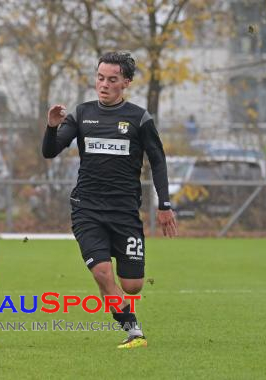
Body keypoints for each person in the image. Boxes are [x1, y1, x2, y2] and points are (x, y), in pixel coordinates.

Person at [43, 52, 177, 349]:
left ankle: (121, 302)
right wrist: (52, 127)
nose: (103, 84)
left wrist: (164, 204)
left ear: (125, 83)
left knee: (132, 285)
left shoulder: (139, 118)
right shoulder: (81, 114)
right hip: (86, 208)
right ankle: (134, 331)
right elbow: (50, 152)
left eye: (112, 79)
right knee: (103, 273)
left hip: (125, 212)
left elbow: (158, 161)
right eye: (100, 77)